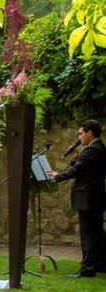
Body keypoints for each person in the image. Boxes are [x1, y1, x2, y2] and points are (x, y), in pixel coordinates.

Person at [48, 119, 106, 278]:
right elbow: (84, 169)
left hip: (89, 197)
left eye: (81, 133)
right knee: (97, 233)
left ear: (89, 133)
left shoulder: (92, 149)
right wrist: (75, 157)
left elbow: (76, 170)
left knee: (88, 235)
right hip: (95, 197)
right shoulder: (97, 148)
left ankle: (87, 269)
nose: (79, 137)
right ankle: (100, 264)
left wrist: (58, 175)